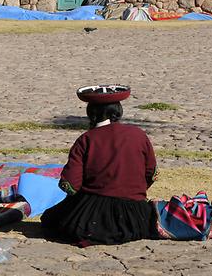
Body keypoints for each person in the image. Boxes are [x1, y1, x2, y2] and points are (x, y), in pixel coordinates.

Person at [41, 84, 158, 245]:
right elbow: (152, 173)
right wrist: (131, 190)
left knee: (50, 219)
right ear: (118, 111)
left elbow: (70, 185)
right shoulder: (138, 135)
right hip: (135, 218)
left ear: (91, 114)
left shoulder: (86, 140)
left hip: (92, 215)